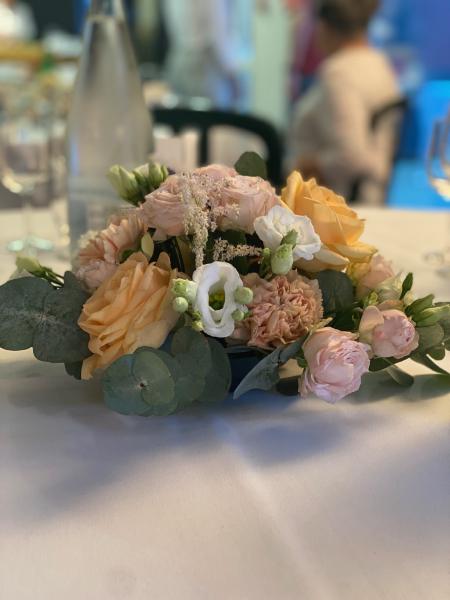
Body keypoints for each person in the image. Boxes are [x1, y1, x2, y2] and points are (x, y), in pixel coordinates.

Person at [286, 0, 400, 203]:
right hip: (372, 194)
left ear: (325, 26)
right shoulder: (379, 64)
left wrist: (308, 165)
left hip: (332, 202)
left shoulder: (339, 74)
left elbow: (351, 156)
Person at [161, 0, 254, 110]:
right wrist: (233, 76)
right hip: (204, 66)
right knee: (212, 116)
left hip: (178, 58)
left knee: (184, 116)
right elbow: (217, 35)